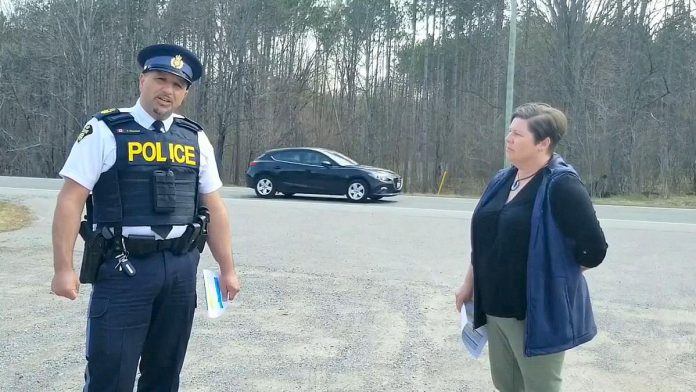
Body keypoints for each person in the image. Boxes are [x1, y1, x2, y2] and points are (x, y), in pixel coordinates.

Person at [50, 43, 240, 391]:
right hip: (124, 270)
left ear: (184, 93)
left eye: (177, 85)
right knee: (111, 375)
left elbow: (214, 207)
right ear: (142, 80)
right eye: (160, 79)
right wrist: (64, 268)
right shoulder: (105, 130)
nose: (167, 90)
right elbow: (70, 200)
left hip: (181, 270)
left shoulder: (196, 138)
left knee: (165, 374)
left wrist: (227, 268)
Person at [455, 103, 608, 391]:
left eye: (517, 134)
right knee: (506, 384)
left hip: (534, 313)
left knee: (540, 387)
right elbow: (487, 243)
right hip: (495, 307)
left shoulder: (561, 185)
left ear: (544, 143)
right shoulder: (503, 179)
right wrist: (469, 284)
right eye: (509, 132)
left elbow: (594, 250)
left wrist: (550, 276)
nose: (508, 139)